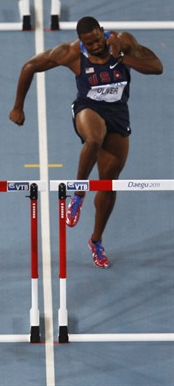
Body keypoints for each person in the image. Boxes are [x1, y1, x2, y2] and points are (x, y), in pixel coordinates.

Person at [9, 16, 163, 268]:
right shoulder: (69, 53)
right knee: (93, 138)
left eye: (97, 40)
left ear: (102, 32)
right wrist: (18, 107)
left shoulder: (123, 42)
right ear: (81, 41)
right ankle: (78, 193)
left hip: (118, 114)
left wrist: (122, 57)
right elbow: (29, 67)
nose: (94, 46)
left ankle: (96, 241)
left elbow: (157, 67)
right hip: (87, 108)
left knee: (109, 185)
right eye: (88, 43)